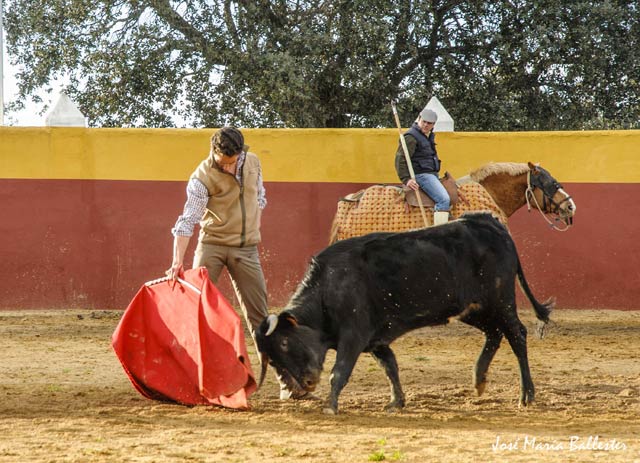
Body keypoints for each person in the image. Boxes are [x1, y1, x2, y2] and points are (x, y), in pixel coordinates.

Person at [166, 127, 311, 400]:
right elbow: (187, 220)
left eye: (233, 161)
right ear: (214, 151)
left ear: (241, 152)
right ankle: (194, 380)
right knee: (199, 313)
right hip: (213, 245)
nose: (229, 166)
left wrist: (253, 224)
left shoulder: (252, 161)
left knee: (261, 318)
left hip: (246, 249)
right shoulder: (200, 178)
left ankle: (288, 385)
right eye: (224, 161)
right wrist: (177, 262)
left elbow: (260, 196)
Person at [394, 107, 450, 225]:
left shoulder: (427, 136)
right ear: (418, 119)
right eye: (423, 121)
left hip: (432, 174)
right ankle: (440, 233)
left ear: (433, 125)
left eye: (429, 123)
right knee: (444, 199)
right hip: (422, 175)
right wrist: (406, 179)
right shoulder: (411, 137)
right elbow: (400, 158)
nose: (425, 125)